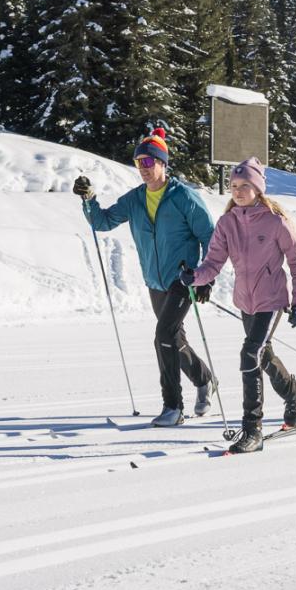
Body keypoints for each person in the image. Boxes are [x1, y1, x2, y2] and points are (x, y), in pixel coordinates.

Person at [73, 127, 218, 427]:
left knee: (163, 336)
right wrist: (89, 199)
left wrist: (205, 277)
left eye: (150, 163)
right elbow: (102, 222)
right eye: (140, 163)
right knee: (174, 338)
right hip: (155, 281)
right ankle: (205, 380)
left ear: (163, 164)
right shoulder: (135, 199)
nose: (144, 169)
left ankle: (173, 407)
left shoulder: (184, 197)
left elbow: (211, 237)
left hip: (183, 279)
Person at [180, 157, 296, 453]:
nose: (238, 191)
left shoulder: (276, 222)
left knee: (250, 352)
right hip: (245, 301)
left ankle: (253, 429)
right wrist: (194, 277)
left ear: (258, 188)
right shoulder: (227, 223)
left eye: (245, 186)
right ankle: (293, 390)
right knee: (262, 354)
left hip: (272, 299)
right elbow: (213, 262)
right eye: (234, 186)